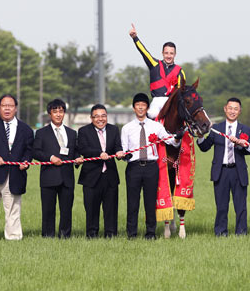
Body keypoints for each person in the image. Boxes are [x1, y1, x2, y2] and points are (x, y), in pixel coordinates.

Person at [121, 93, 181, 239]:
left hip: (151, 168)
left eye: (143, 105)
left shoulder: (156, 126)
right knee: (132, 202)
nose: (140, 107)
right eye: (138, 105)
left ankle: (150, 233)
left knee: (150, 202)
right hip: (133, 167)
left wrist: (178, 137)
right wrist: (124, 155)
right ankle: (132, 234)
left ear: (147, 108)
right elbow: (124, 149)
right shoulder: (126, 128)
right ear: (134, 107)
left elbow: (171, 141)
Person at [197, 97, 250, 236]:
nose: (232, 111)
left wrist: (243, 144)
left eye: (236, 109)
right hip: (221, 171)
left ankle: (241, 233)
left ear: (240, 111)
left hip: (238, 171)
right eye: (230, 108)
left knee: (240, 206)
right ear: (225, 109)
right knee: (221, 206)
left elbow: (249, 150)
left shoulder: (245, 129)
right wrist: (200, 137)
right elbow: (205, 147)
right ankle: (220, 232)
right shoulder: (216, 129)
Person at [0, 94, 34, 241]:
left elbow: (29, 150)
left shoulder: (26, 129)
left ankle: (14, 238)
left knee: (13, 210)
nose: (7, 108)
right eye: (4, 106)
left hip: (15, 175)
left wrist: (26, 161)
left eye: (10, 106)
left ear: (15, 108)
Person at [33, 99, 82, 238]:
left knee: (66, 209)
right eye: (55, 112)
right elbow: (35, 152)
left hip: (67, 178)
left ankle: (65, 235)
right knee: (48, 210)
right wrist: (50, 158)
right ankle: (48, 235)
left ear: (64, 113)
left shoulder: (72, 133)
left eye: (61, 111)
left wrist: (78, 160)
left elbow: (75, 152)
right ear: (50, 114)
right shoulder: (41, 133)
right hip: (49, 177)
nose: (58, 114)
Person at [78, 104, 124, 238]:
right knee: (91, 209)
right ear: (91, 118)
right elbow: (83, 149)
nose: (100, 119)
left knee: (111, 209)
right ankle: (92, 235)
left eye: (103, 116)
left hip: (110, 176)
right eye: (96, 116)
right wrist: (99, 153)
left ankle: (111, 234)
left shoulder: (114, 129)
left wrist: (119, 152)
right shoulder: (83, 131)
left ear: (107, 117)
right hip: (91, 177)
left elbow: (117, 146)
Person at [129, 23, 186, 119]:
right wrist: (135, 38)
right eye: (166, 53)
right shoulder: (155, 64)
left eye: (171, 53)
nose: (168, 56)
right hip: (156, 101)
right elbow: (144, 52)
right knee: (151, 114)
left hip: (171, 102)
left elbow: (181, 92)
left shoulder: (180, 71)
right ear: (162, 53)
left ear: (175, 54)